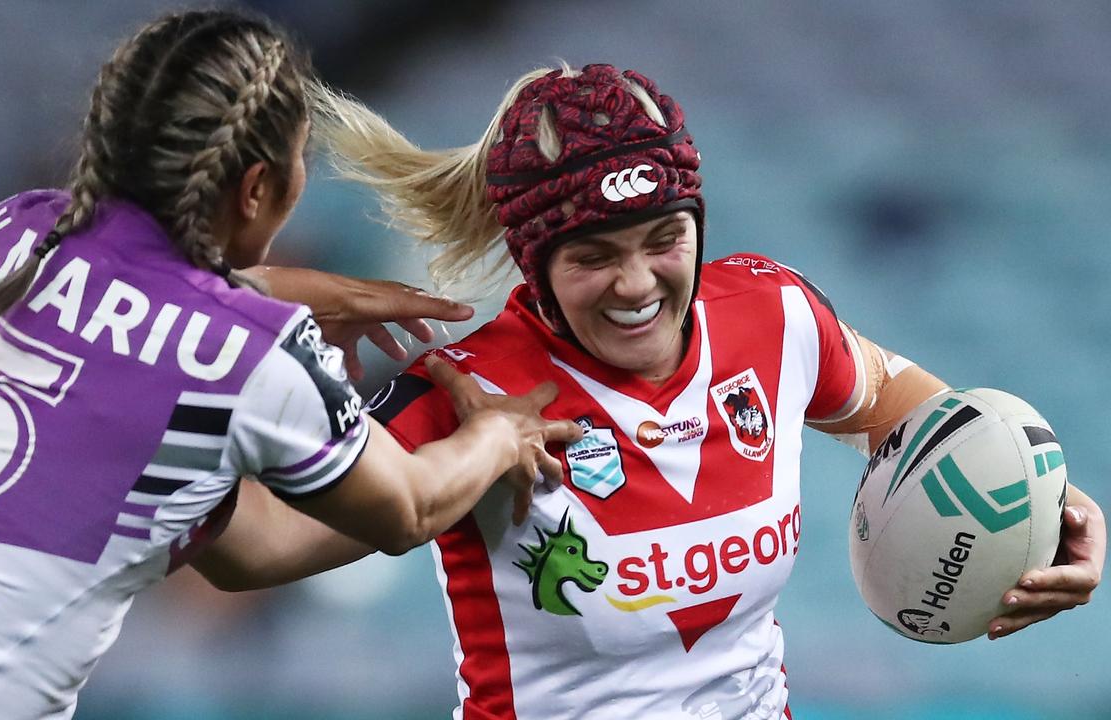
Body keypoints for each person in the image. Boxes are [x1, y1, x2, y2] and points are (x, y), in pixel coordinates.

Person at [0, 11, 582, 720]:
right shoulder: (257, 357)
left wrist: (307, 294)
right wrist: (498, 436)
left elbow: (246, 550)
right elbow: (411, 507)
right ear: (259, 187)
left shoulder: (11, 235)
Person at [294, 63, 1106, 719]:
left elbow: (954, 434)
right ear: (532, 261)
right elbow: (247, 550)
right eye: (592, 256)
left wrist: (1063, 513)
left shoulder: (774, 317)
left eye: (664, 238)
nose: (638, 282)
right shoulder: (464, 395)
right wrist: (251, 343)